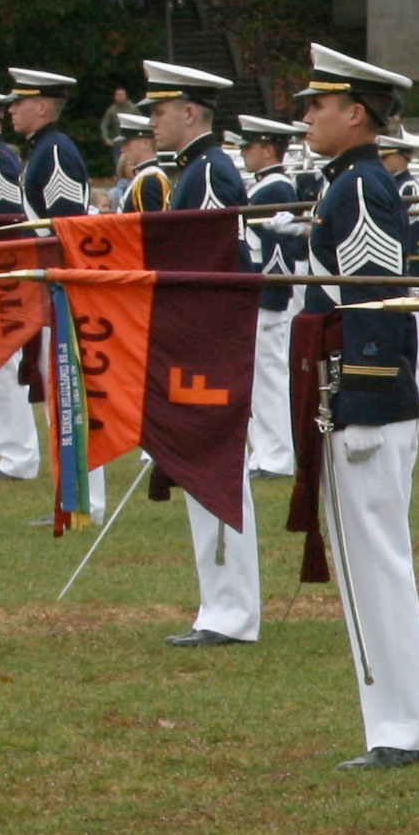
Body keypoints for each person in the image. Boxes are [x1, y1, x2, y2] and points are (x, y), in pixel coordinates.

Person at [298, 46, 419, 770]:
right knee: (369, 564)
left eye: (317, 106)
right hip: (362, 395)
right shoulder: (348, 182)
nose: (307, 118)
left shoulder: (357, 187)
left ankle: (407, 729)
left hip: (370, 401)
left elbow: (374, 297)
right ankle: (397, 722)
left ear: (355, 114)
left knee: (376, 563)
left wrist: (362, 394)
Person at [130, 65, 261, 650]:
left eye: (159, 111)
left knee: (215, 467)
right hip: (200, 337)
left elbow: (207, 260)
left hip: (207, 339)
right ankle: (219, 603)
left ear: (189, 113)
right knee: (203, 467)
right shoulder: (196, 170)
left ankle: (231, 610)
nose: (151, 122)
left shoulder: (208, 173)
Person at [236, 112, 306, 483]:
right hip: (260, 291)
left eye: (249, 146)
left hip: (266, 293)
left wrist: (272, 292)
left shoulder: (276, 187)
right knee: (261, 376)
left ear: (267, 149)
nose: (243, 152)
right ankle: (265, 451)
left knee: (269, 376)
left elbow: (280, 249)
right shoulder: (266, 186)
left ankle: (277, 454)